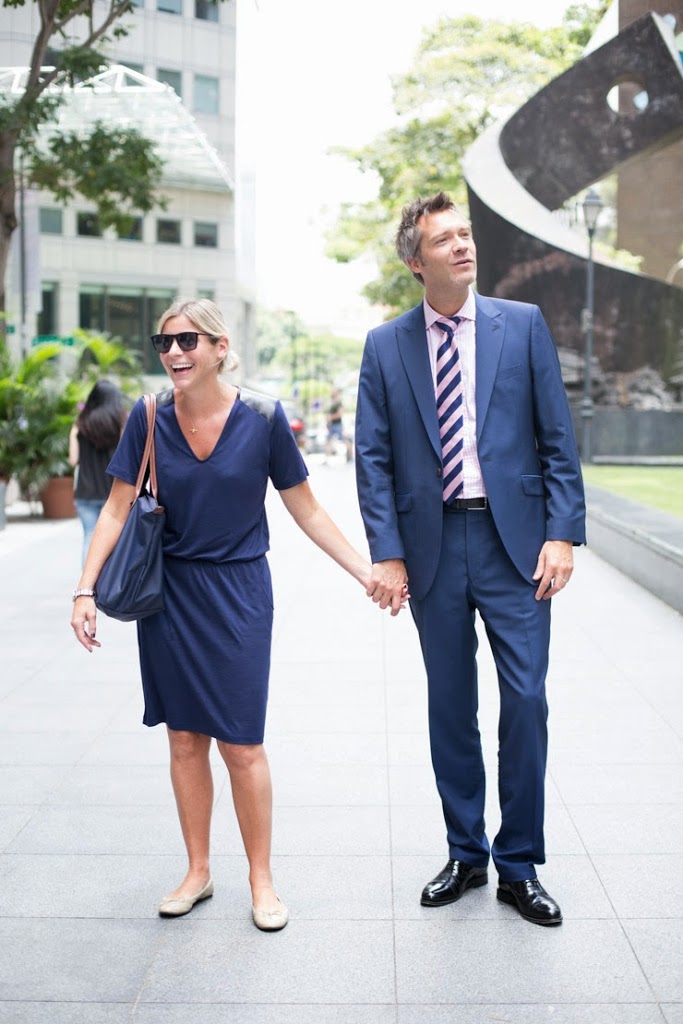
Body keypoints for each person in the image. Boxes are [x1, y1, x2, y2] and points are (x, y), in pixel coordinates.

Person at [70, 298, 396, 931]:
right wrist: (84, 590)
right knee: (185, 738)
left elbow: (305, 509)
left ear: (221, 348)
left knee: (242, 743)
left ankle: (261, 878)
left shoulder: (264, 418)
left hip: (240, 593)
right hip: (171, 598)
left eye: (188, 341)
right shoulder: (146, 417)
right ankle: (198, 870)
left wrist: (366, 570)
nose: (174, 354)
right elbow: (114, 508)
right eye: (164, 343)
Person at [354, 192, 586, 927]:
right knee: (450, 705)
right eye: (443, 238)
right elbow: (372, 459)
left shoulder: (519, 327)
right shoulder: (385, 345)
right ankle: (465, 851)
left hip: (514, 545)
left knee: (525, 700)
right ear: (414, 260)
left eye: (465, 234)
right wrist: (386, 555)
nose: (461, 245)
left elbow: (556, 436)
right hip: (430, 550)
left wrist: (561, 533)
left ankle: (518, 865)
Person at [68, 380, 127, 565]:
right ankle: (108, 583)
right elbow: (126, 456)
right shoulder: (120, 423)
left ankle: (88, 587)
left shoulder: (79, 424)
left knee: (89, 536)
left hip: (85, 491)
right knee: (114, 540)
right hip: (113, 491)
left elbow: (73, 459)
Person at [325, 386, 353, 462]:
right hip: (332, 425)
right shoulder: (333, 401)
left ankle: (351, 456)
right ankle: (327, 458)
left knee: (345, 440)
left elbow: (340, 414)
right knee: (328, 441)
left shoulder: (338, 402)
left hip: (337, 425)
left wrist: (331, 417)